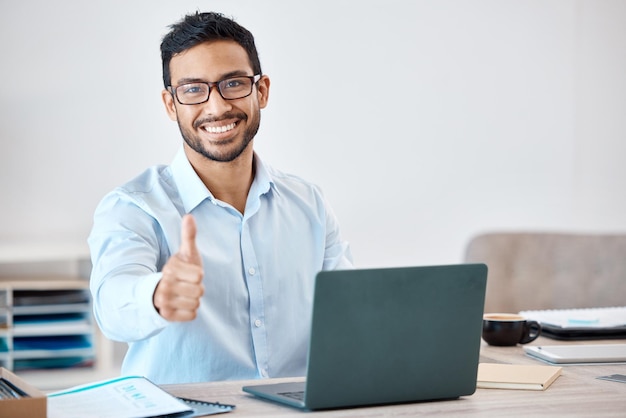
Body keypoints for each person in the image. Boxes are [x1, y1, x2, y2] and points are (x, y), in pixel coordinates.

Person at [88, 11, 353, 385]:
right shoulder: (133, 207)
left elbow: (351, 314)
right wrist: (158, 295)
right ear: (170, 105)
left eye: (233, 83)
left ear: (261, 91)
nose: (216, 107)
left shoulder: (308, 203)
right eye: (193, 89)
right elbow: (112, 304)